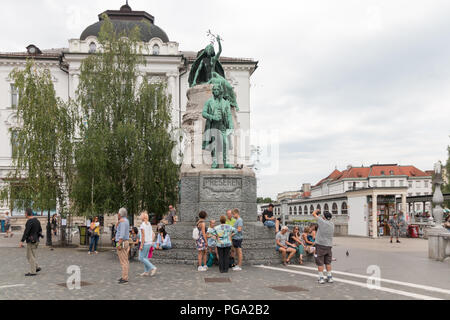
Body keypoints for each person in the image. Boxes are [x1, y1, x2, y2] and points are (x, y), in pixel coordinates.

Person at [312, 209, 335, 284]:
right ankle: (329, 277)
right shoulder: (332, 224)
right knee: (328, 262)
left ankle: (321, 278)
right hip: (329, 246)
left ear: (324, 217)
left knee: (320, 262)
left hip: (320, 245)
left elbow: (313, 214)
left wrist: (316, 210)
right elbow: (321, 218)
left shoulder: (322, 222)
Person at [19, 208, 42, 276]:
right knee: (31, 254)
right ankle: (36, 267)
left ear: (26, 213)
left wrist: (22, 241)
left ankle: (33, 271)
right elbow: (40, 230)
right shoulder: (37, 221)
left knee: (29, 256)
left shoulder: (29, 221)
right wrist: (37, 238)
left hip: (31, 241)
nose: (24, 214)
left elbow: (26, 232)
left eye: (24, 213)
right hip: (36, 240)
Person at [138, 211, 157, 277]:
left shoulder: (142, 225)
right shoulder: (149, 224)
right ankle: (146, 272)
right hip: (149, 243)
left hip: (145, 243)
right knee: (145, 257)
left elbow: (143, 236)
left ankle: (153, 267)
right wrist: (151, 241)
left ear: (142, 217)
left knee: (141, 258)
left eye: (140, 216)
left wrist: (141, 245)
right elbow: (153, 234)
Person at [115, 208, 130, 284]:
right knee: (125, 260)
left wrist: (118, 244)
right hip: (124, 241)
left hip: (122, 242)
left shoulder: (123, 222)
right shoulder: (125, 220)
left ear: (120, 214)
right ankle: (124, 276)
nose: (117, 214)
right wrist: (117, 223)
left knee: (123, 261)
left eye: (118, 213)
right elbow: (117, 229)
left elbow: (122, 234)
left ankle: (125, 278)